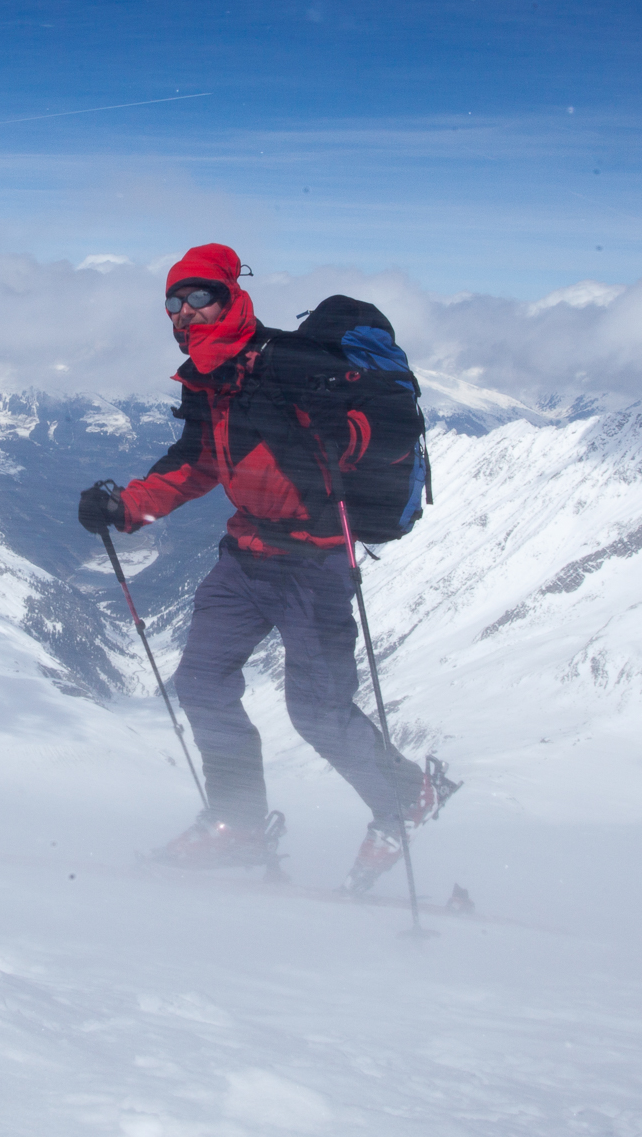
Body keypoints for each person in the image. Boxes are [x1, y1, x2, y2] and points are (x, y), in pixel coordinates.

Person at [78, 243, 441, 894]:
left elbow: (376, 429)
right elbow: (194, 463)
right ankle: (238, 824)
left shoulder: (289, 364)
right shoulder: (208, 380)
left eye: (200, 297)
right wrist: (124, 507)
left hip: (315, 562)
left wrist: (344, 438)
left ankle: (407, 795)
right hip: (245, 557)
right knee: (202, 684)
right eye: (174, 300)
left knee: (319, 712)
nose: (185, 312)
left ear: (229, 296)